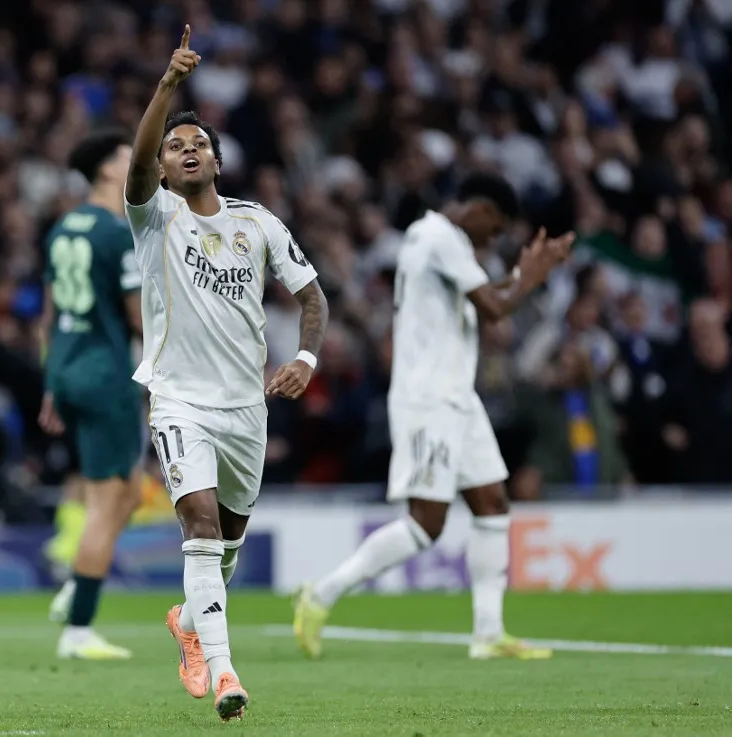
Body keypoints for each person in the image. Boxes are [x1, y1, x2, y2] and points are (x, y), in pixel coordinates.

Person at [125, 26, 329, 722]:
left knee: (228, 541)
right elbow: (135, 168)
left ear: (218, 159)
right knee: (202, 529)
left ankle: (190, 621)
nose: (186, 151)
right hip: (178, 400)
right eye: (175, 145)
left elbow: (312, 297)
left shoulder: (258, 222)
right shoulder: (155, 219)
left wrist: (304, 358)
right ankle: (223, 671)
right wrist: (167, 89)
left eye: (198, 143)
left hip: (247, 408)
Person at [293, 173, 574, 660]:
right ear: (481, 208)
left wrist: (526, 277)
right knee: (427, 524)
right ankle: (321, 595)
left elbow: (491, 299)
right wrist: (532, 274)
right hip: (428, 399)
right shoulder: (438, 236)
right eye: (497, 226)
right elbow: (495, 307)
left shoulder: (446, 245)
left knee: (491, 504)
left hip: (458, 398)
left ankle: (488, 635)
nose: (495, 238)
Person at [39, 131, 145, 661]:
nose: (139, 161)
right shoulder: (114, 233)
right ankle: (78, 629)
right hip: (106, 376)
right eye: (130, 157)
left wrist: (51, 381)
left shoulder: (63, 229)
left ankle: (78, 583)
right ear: (107, 170)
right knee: (107, 503)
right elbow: (137, 318)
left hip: (70, 370)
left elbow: (52, 313)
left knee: (127, 492)